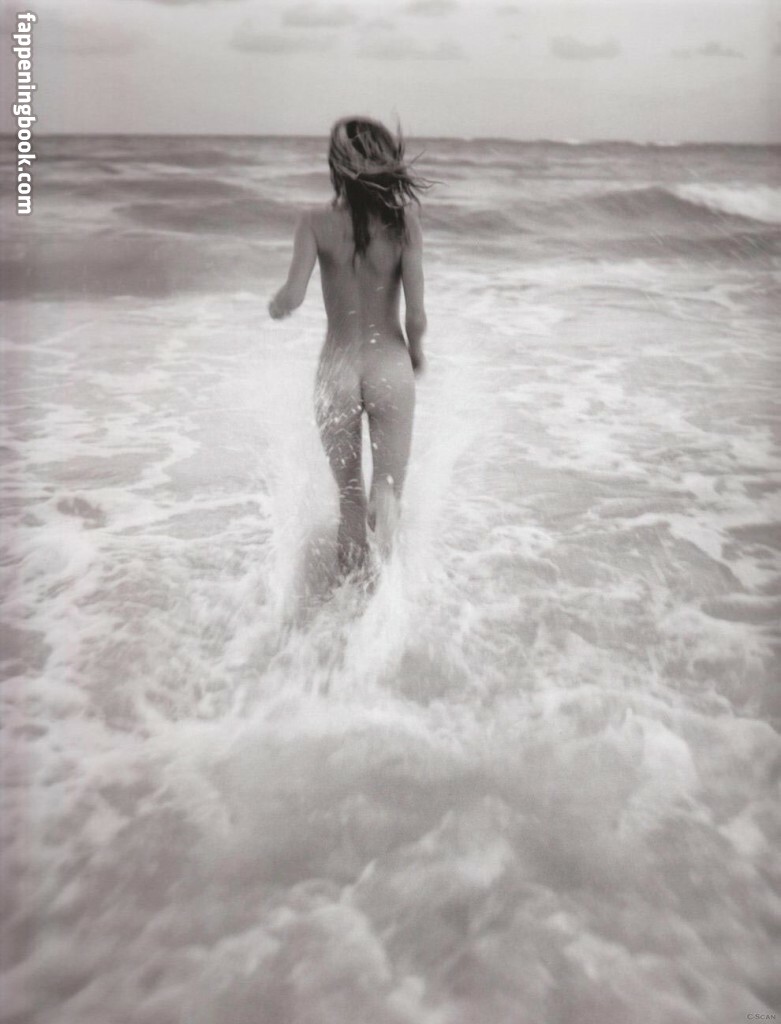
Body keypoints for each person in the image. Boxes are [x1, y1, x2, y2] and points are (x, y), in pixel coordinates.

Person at [268, 116, 429, 579]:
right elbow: (416, 315)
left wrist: (278, 305)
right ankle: (387, 603)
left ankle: (347, 603)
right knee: (388, 492)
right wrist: (415, 354)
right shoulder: (405, 222)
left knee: (351, 502)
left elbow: (293, 296)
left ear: (335, 167)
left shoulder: (314, 223)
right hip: (389, 366)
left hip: (336, 371)